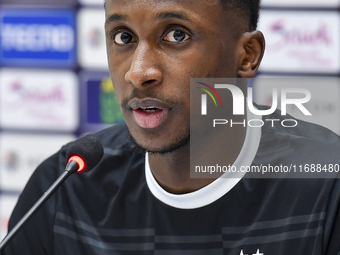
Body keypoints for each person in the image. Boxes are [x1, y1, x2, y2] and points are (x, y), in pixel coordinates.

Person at [3, 0, 340, 254]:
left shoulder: (326, 184)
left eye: (176, 35)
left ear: (247, 55)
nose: (138, 72)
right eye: (123, 36)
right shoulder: (66, 187)